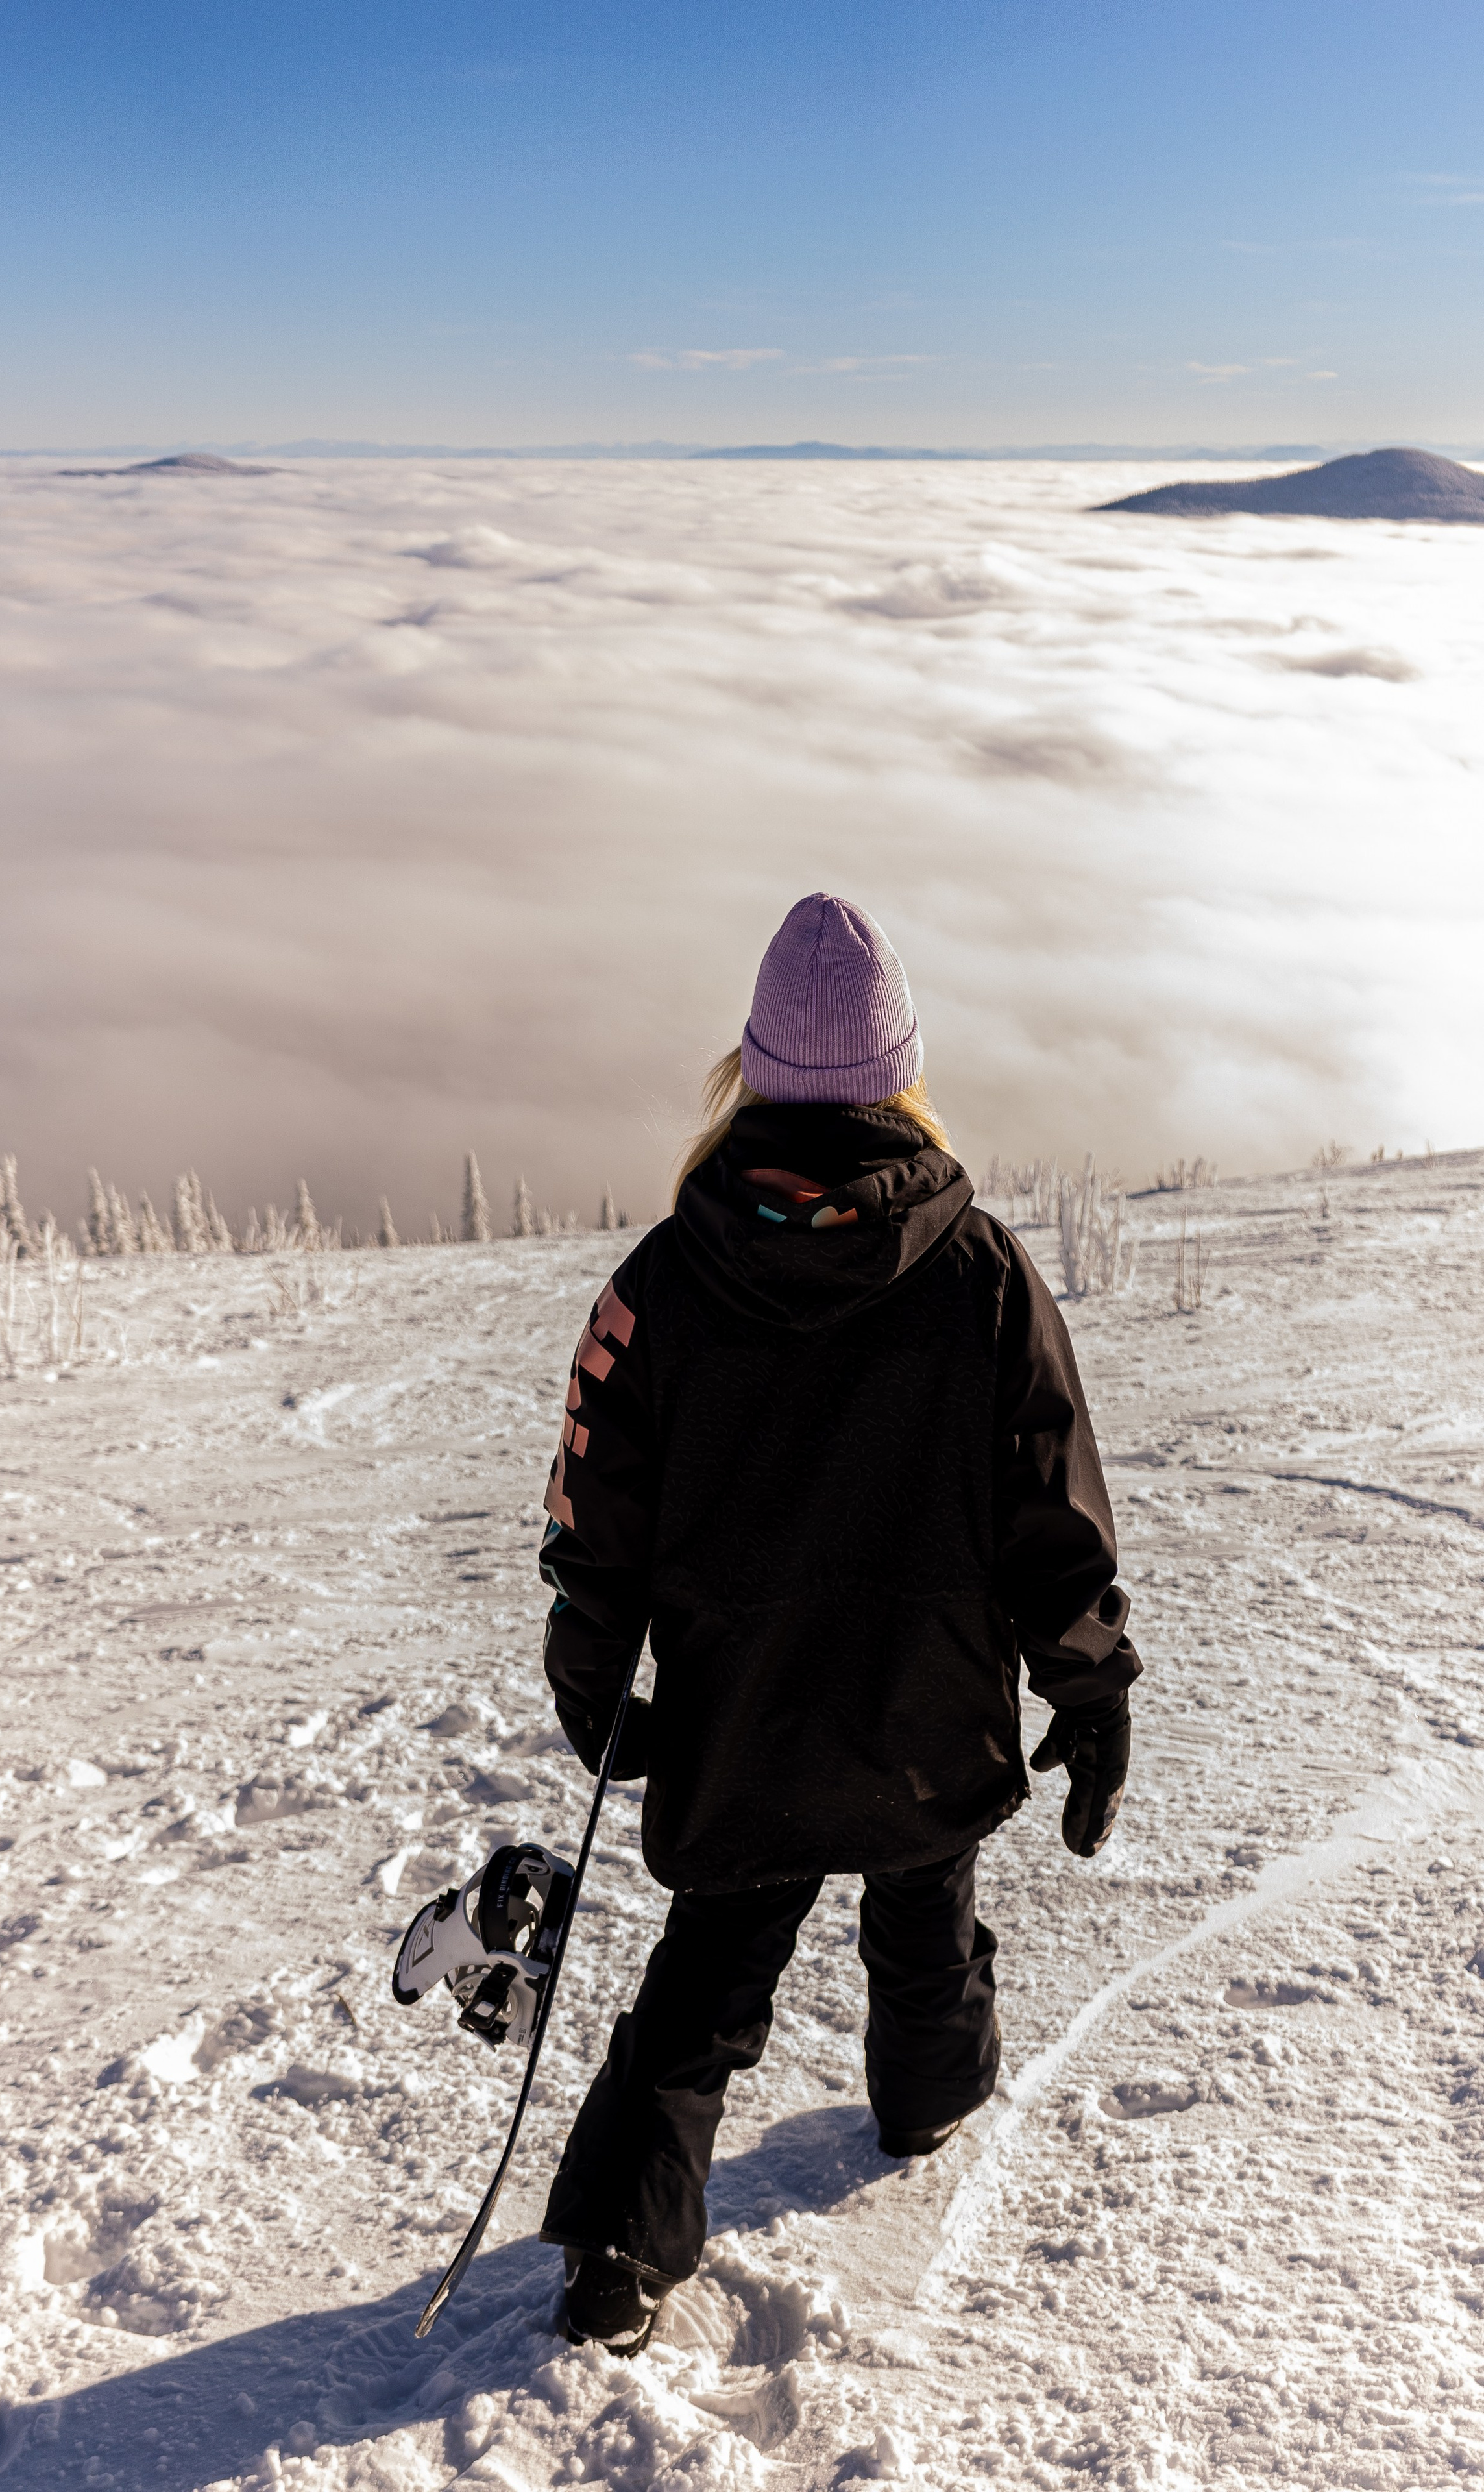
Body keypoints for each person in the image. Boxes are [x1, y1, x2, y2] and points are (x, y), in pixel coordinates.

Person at [535, 892, 1139, 2354]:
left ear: (749, 1072)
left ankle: (618, 2255)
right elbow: (1050, 1511)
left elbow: (593, 1515)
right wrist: (1089, 1686)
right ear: (901, 1076)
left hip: (742, 1720)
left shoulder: (662, 1284)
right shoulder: (979, 1271)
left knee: (706, 1981)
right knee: (926, 1919)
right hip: (927, 1710)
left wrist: (594, 1683)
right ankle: (926, 2107)